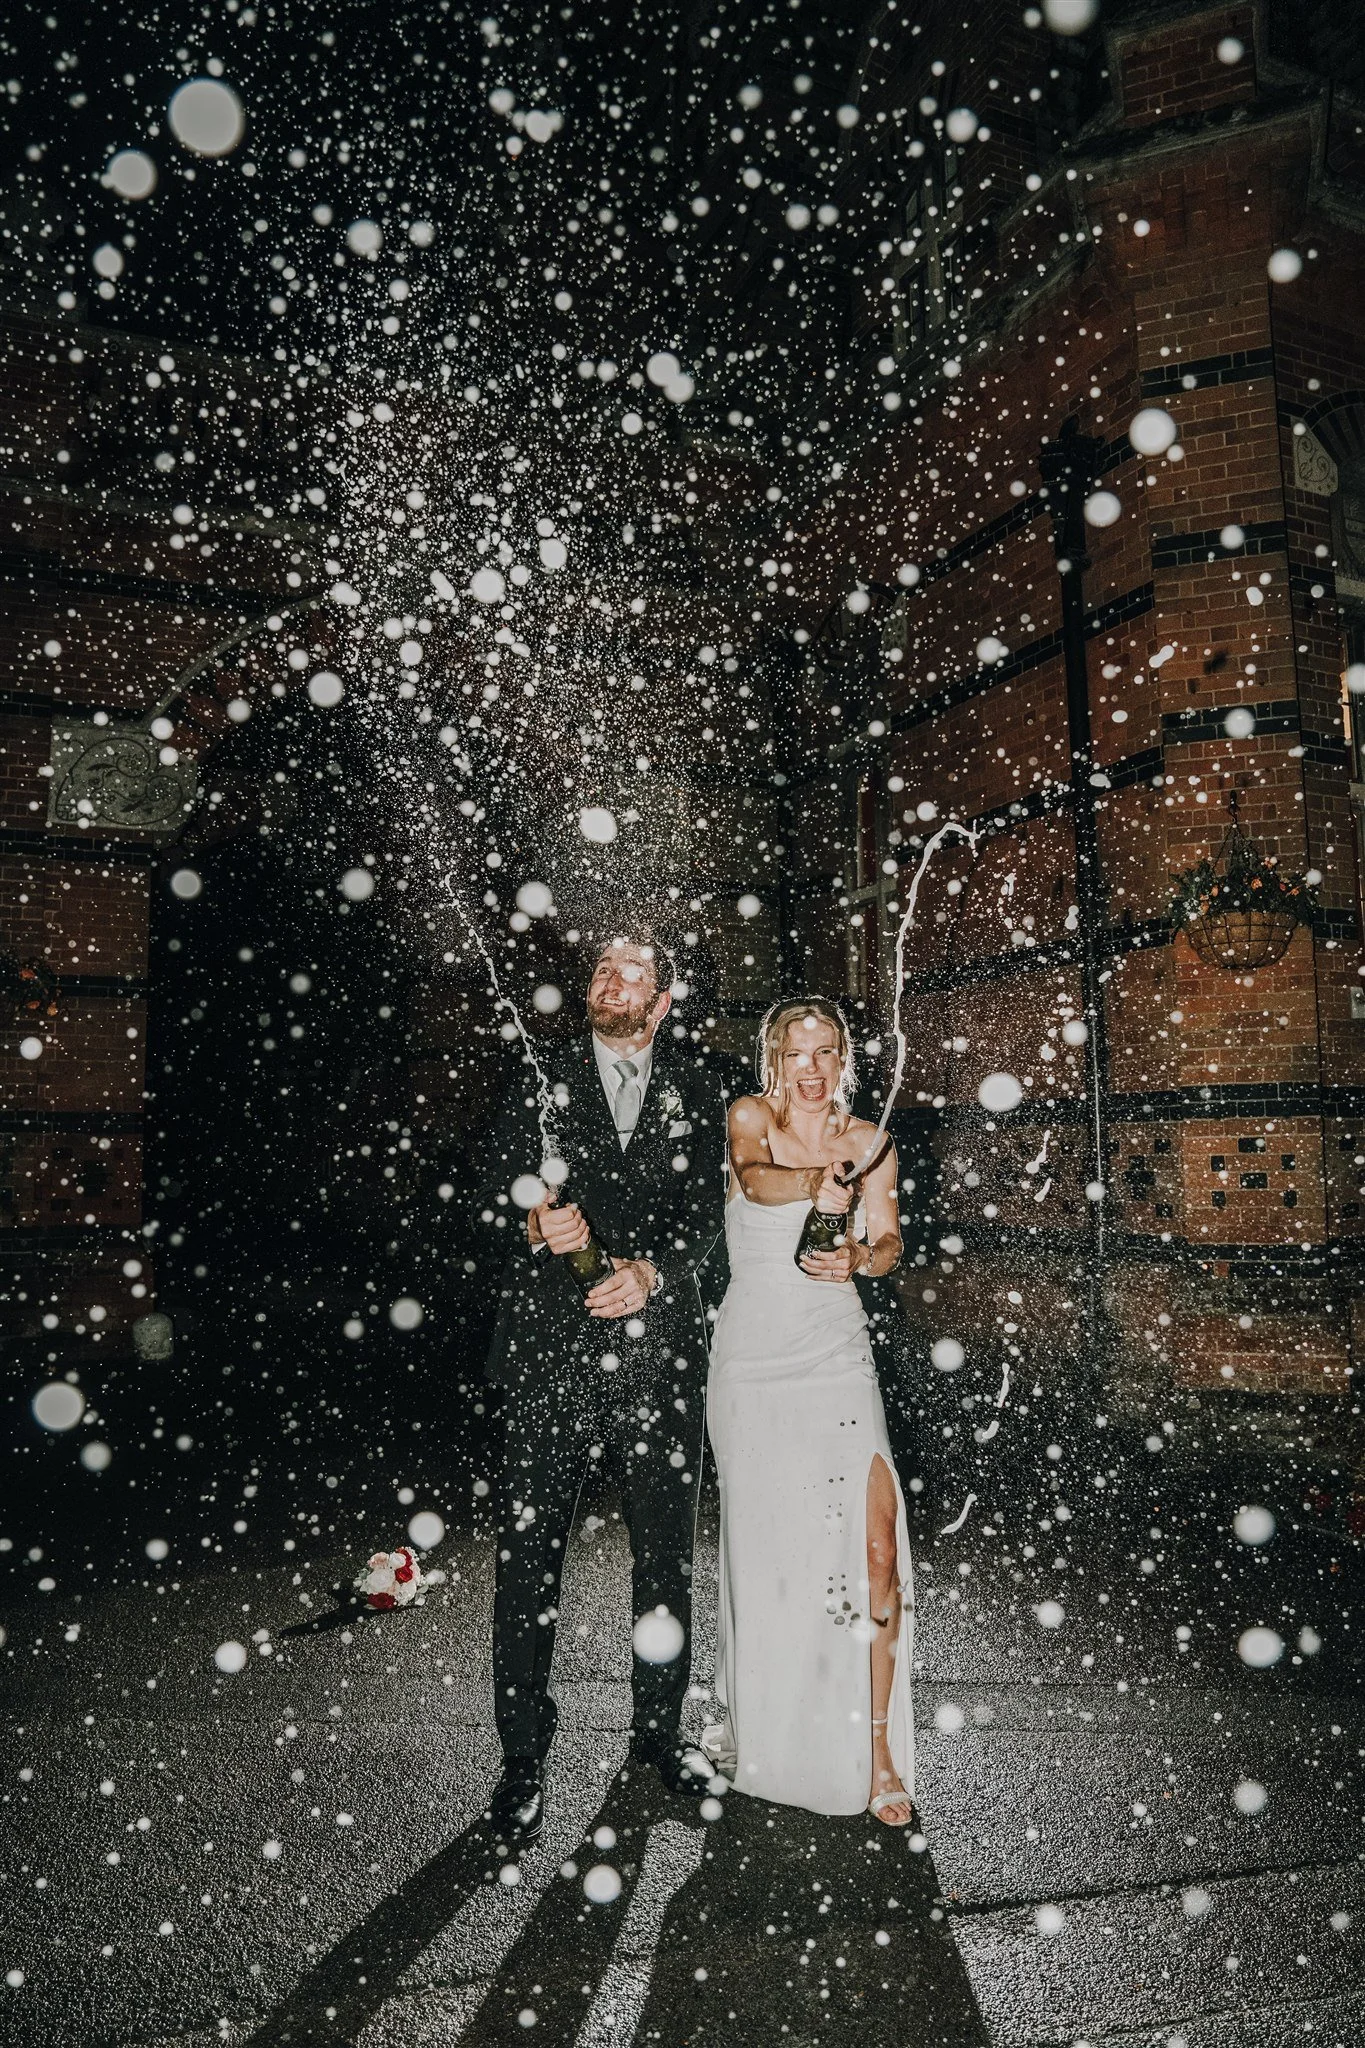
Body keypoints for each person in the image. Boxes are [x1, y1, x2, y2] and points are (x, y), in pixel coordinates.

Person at [480, 928, 727, 1841]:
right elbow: (479, 1185)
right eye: (601, 971)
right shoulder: (538, 1081)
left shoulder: (698, 1088)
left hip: (660, 1354)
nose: (612, 982)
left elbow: (710, 1204)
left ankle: (659, 1740)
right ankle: (521, 1761)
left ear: (661, 1003)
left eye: (633, 974)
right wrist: (531, 1220)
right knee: (528, 1559)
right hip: (550, 1352)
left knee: (663, 1557)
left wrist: (655, 1273)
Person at [703, 997, 914, 1824]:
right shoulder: (749, 1116)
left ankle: (877, 1748)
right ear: (773, 1060)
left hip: (834, 1353)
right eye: (797, 1053)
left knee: (875, 1550)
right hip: (753, 1360)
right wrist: (819, 1181)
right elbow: (755, 1179)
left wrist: (866, 1252)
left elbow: (892, 1240)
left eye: (826, 1051)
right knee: (775, 1559)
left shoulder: (871, 1142)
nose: (813, 1068)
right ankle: (769, 1721)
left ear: (844, 1057)